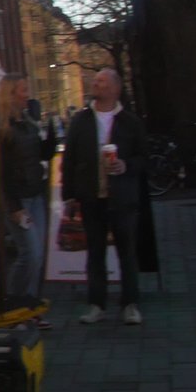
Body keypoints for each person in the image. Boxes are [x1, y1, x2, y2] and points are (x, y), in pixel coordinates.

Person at [61, 67, 146, 324]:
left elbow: (144, 158)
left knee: (127, 251)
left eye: (102, 82)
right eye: (95, 81)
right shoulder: (81, 120)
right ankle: (96, 304)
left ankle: (130, 304)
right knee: (95, 252)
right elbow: (70, 159)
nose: (96, 85)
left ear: (115, 89)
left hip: (122, 197)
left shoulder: (130, 122)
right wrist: (69, 196)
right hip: (91, 196)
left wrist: (126, 166)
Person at [0, 74, 54, 308]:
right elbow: (1, 170)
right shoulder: (4, 128)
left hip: (35, 195)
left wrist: (50, 135)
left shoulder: (29, 121)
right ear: (10, 94)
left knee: (37, 255)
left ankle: (29, 307)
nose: (27, 94)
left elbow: (42, 154)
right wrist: (14, 207)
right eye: (23, 90)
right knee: (29, 253)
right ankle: (15, 302)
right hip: (19, 200)